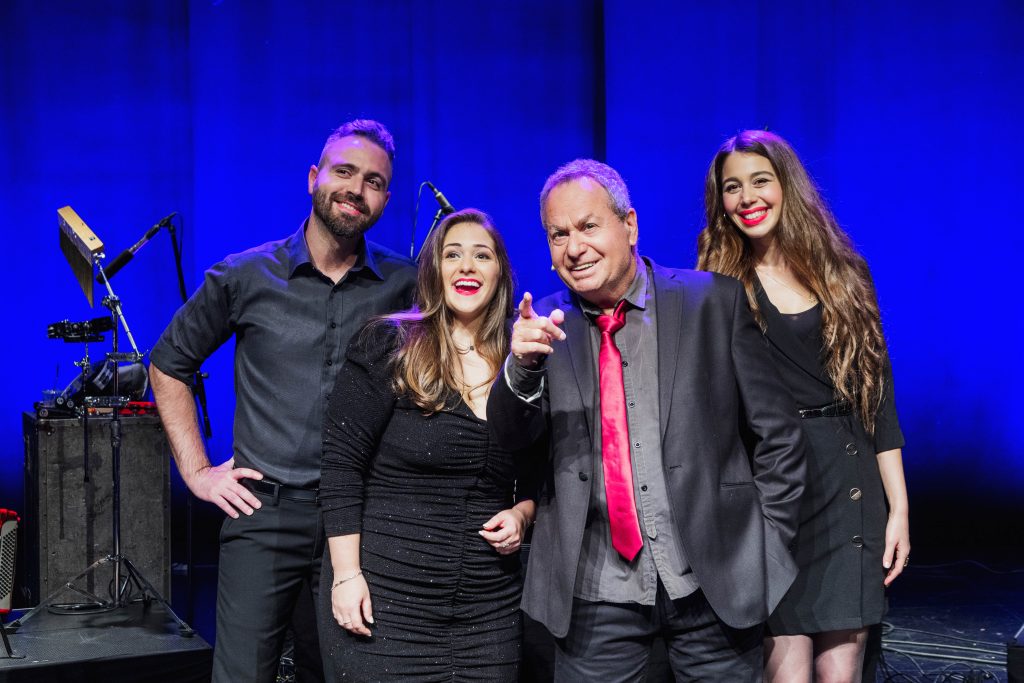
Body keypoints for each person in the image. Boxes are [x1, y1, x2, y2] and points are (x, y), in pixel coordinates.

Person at [486, 159, 808, 680]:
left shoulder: (711, 302)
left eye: (588, 226)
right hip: (595, 593)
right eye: (558, 234)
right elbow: (511, 439)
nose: (574, 247)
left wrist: (763, 545)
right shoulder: (540, 326)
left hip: (714, 580)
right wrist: (521, 368)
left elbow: (780, 436)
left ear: (629, 225)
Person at [149, 119, 416, 682]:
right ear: (314, 177)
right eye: (344, 172)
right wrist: (197, 471)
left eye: (373, 181)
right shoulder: (246, 276)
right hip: (263, 514)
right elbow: (169, 363)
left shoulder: (406, 284)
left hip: (362, 521)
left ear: (385, 200)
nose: (356, 189)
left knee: (349, 673)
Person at [696, 129, 910, 682]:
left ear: (787, 185)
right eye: (732, 187)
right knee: (786, 671)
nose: (747, 198)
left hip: (849, 486)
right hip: (775, 491)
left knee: (842, 670)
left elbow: (877, 398)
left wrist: (899, 509)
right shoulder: (716, 287)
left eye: (760, 181)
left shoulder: (845, 274)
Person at [319, 208, 536, 682]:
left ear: (501, 273)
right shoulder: (389, 344)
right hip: (387, 601)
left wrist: (522, 515)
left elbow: (542, 471)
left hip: (488, 611)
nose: (466, 266)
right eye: (452, 254)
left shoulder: (521, 363)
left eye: (482, 256)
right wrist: (346, 575)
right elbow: (341, 467)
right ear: (433, 269)